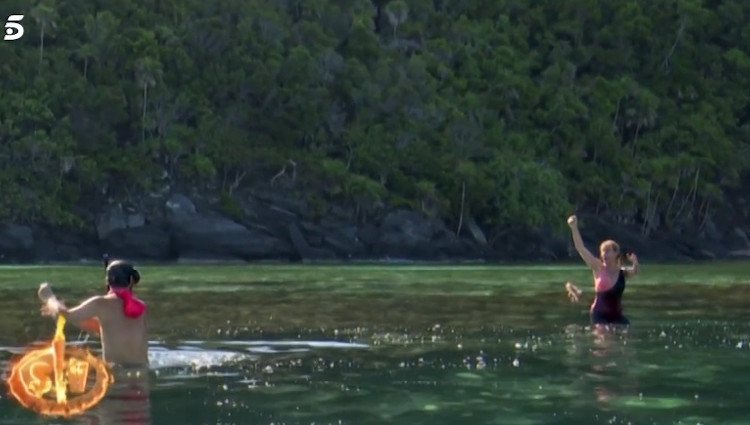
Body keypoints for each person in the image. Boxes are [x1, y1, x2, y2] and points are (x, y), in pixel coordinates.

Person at [38, 259, 149, 366]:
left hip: (117, 374)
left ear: (107, 281)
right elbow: (110, 329)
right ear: (131, 281)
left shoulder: (99, 303)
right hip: (142, 374)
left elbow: (66, 315)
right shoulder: (141, 307)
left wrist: (49, 298)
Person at [565, 215, 639, 325]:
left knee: (626, 334)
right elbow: (581, 248)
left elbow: (634, 271)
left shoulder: (622, 272)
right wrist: (574, 228)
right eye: (602, 251)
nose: (604, 254)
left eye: (608, 251)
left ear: (616, 254)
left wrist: (635, 262)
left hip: (617, 315)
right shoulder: (598, 267)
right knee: (605, 340)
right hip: (599, 315)